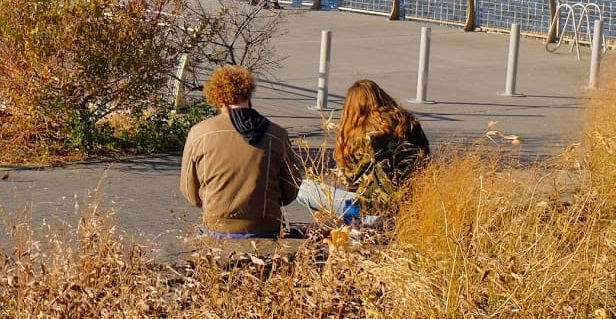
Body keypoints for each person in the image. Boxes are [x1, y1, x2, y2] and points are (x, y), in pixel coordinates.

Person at [180, 65, 302, 238]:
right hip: (266, 224)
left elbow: (189, 190)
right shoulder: (277, 134)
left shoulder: (199, 133)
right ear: (248, 93)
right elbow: (291, 189)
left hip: (218, 225)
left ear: (216, 97)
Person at [297, 79, 430, 227]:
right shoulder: (411, 125)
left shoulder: (362, 135)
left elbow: (351, 181)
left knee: (304, 188)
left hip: (373, 212)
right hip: (413, 207)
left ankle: (355, 223)